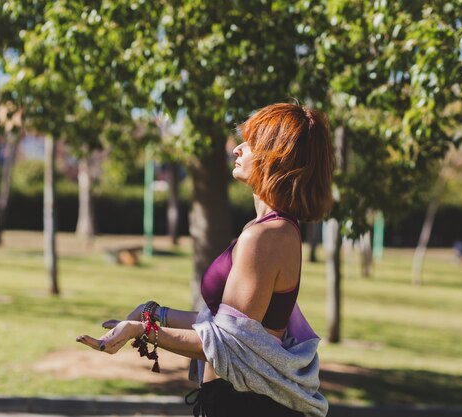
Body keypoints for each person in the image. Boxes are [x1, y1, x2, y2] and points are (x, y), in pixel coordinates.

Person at [76, 103, 334, 417]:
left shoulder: (267, 237)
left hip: (246, 405)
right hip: (236, 400)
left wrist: (142, 330)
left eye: (250, 143)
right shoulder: (273, 231)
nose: (238, 149)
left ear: (275, 155)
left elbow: (227, 343)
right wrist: (155, 313)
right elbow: (225, 327)